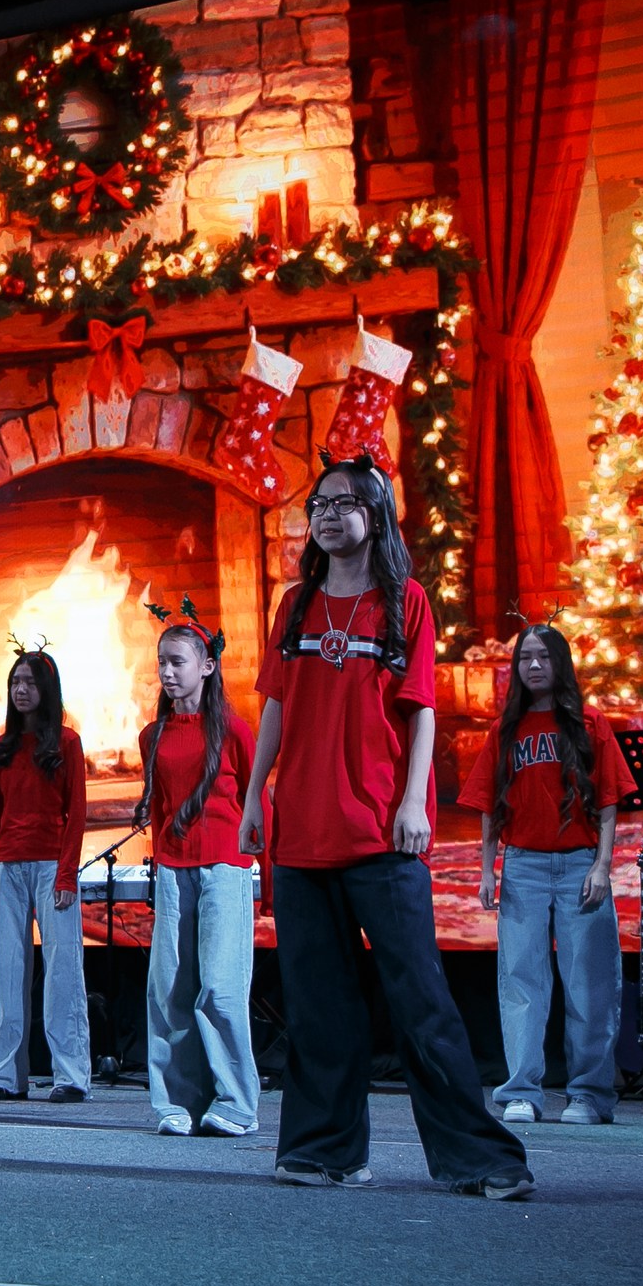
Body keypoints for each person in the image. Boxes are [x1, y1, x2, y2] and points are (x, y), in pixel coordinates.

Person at [239, 458, 531, 1198]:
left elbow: (422, 707)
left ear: (375, 515)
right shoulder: (295, 605)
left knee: (421, 1001)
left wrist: (413, 804)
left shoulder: (406, 601)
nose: (328, 515)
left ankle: (480, 1159)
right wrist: (253, 797)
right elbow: (275, 705)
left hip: (380, 832)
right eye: (319, 504)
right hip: (302, 832)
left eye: (344, 503)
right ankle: (324, 1149)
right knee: (318, 1005)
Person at [463, 625, 633, 1127]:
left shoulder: (590, 723)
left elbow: (608, 800)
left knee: (590, 984)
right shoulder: (506, 729)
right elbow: (489, 805)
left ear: (561, 662)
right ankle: (521, 1091)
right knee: (521, 982)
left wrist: (602, 865)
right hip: (524, 866)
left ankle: (589, 1095)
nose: (534, 666)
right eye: (525, 658)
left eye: (544, 657)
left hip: (580, 864)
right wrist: (487, 869)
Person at [136, 613, 261, 1137]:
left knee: (221, 987)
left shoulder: (233, 730)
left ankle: (236, 1102)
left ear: (207, 666)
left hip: (225, 866)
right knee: (170, 987)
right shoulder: (153, 735)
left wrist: (265, 877)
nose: (167, 672)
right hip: (174, 867)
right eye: (161, 663)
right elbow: (160, 807)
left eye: (177, 662)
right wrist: (162, 864)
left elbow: (256, 800)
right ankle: (177, 1102)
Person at [0, 647, 91, 1104]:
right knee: (7, 971)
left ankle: (71, 1075)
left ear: (47, 689)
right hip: (7, 865)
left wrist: (66, 876)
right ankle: (4, 1075)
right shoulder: (0, 748)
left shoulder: (67, 743)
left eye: (30, 682)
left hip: (51, 864)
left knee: (63, 970)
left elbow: (76, 813)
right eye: (15, 682)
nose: (21, 690)